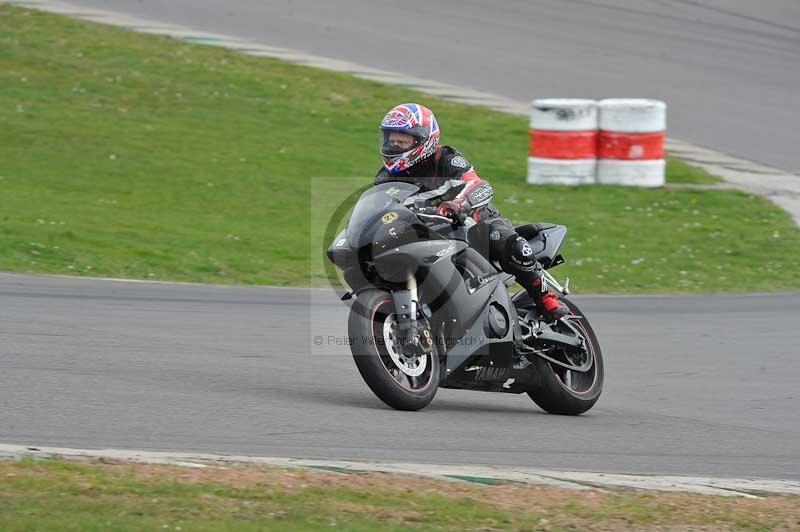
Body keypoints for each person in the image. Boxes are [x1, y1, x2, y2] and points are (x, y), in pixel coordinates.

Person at [374, 103, 570, 322]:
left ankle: (546, 298)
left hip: (470, 226)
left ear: (423, 140)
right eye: (391, 140)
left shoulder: (446, 159)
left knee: (500, 236)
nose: (395, 145)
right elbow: (381, 210)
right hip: (427, 237)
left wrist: (457, 204)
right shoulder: (384, 178)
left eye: (403, 140)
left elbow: (478, 185)